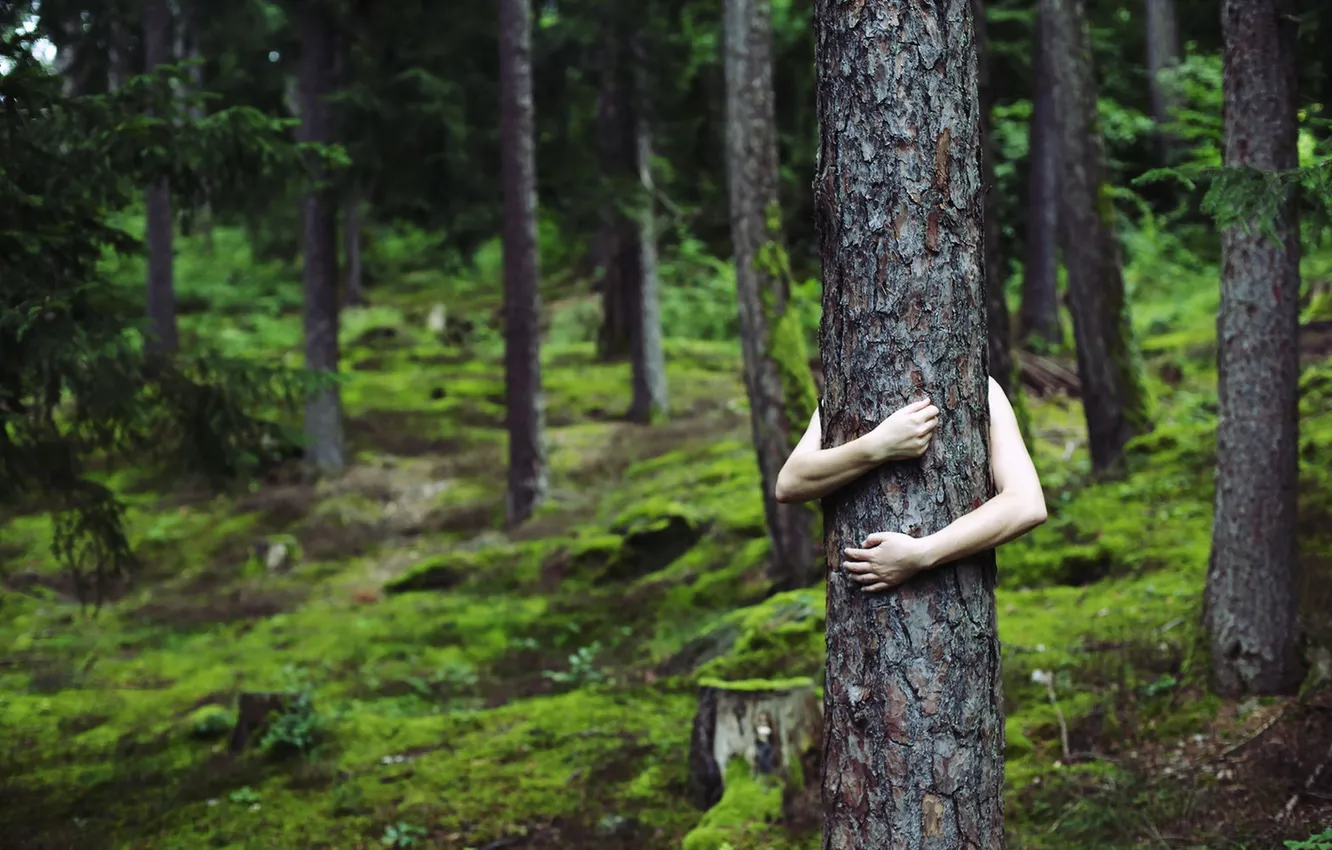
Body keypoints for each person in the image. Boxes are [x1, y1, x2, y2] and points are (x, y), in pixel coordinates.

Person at [774, 376, 1047, 592]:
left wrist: (921, 554)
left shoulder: (977, 385)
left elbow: (1026, 504)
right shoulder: (847, 387)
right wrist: (877, 447)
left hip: (953, 599)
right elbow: (789, 483)